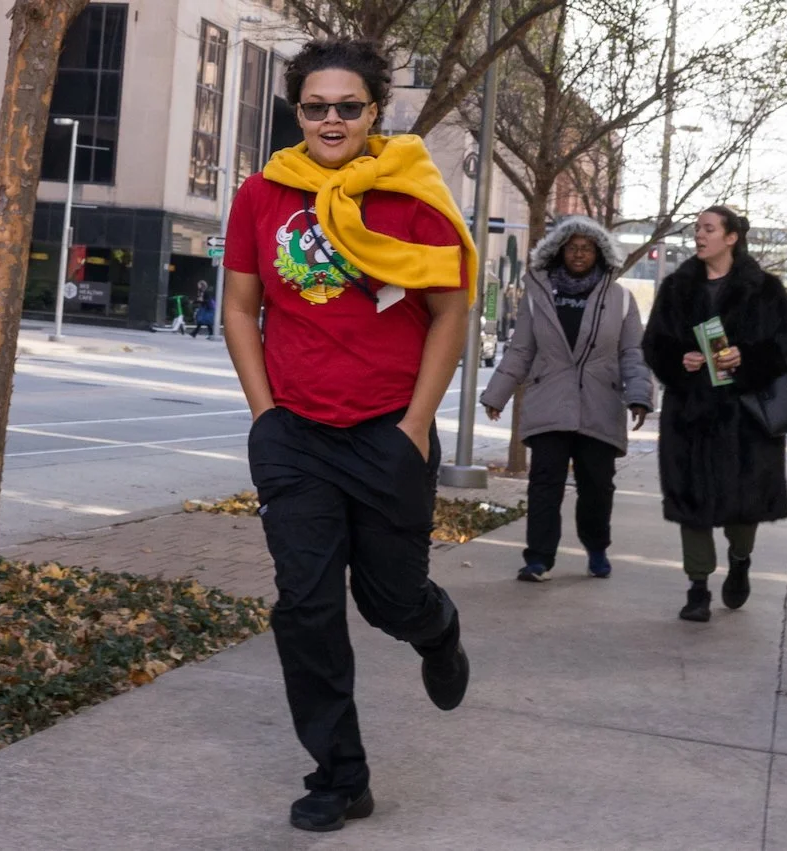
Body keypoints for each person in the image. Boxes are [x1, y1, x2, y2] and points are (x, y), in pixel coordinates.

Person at [220, 38, 476, 833]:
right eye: (315, 107)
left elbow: (449, 314)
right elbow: (240, 306)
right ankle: (340, 772)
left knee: (387, 599)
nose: (331, 120)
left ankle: (434, 626)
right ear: (297, 112)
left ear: (376, 111)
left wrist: (415, 425)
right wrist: (265, 416)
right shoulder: (263, 194)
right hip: (295, 434)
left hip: (386, 434)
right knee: (306, 604)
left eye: (348, 106)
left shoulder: (413, 197)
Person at [642, 207, 787, 622]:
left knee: (743, 506)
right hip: (691, 417)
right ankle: (698, 588)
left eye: (708, 229)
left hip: (746, 418)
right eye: (696, 228)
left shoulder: (766, 290)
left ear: (731, 237)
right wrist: (682, 359)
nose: (699, 235)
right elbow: (654, 344)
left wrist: (746, 357)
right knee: (690, 503)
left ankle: (740, 559)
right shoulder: (677, 287)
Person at [479, 216, 654, 582]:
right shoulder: (539, 294)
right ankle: (538, 558)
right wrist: (497, 395)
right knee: (544, 484)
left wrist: (638, 396)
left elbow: (631, 353)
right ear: (559, 251)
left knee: (597, 486)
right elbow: (521, 350)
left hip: (600, 405)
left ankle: (596, 547)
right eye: (572, 247)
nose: (578, 253)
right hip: (550, 402)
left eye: (586, 248)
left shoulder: (620, 299)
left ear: (599, 254)